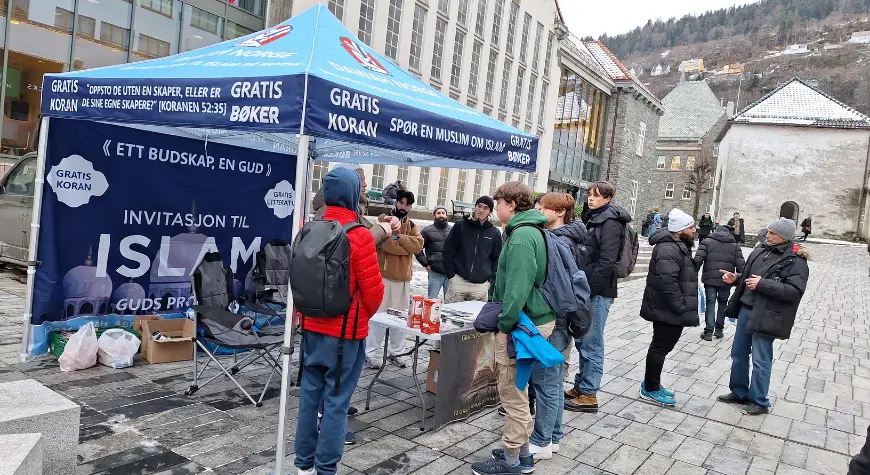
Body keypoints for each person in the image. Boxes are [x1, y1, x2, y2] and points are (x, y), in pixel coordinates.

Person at [294, 168, 385, 475]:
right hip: (345, 335)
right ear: (352, 192)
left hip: (310, 327)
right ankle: (326, 469)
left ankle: (303, 465)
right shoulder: (357, 234)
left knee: (309, 397)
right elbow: (373, 293)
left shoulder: (308, 227)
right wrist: (360, 316)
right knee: (336, 402)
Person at [471, 181, 555, 475]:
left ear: (511, 204)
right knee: (518, 387)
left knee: (512, 390)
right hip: (530, 320)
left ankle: (511, 460)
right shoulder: (528, 230)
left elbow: (517, 289)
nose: (496, 209)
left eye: (498, 203)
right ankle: (524, 453)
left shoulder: (521, 237)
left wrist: (505, 327)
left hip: (522, 323)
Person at [717, 218, 809, 416]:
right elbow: (750, 277)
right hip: (746, 309)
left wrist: (763, 285)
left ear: (784, 237)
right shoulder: (760, 250)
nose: (767, 235)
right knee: (738, 354)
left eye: (772, 233)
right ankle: (739, 392)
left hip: (767, 314)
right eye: (767, 231)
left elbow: (794, 291)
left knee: (761, 359)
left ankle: (759, 401)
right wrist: (736, 279)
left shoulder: (796, 261)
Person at [526, 192, 586, 459]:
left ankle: (541, 441)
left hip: (555, 321)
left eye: (542, 207)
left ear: (559, 212)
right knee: (553, 382)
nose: (538, 210)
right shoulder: (569, 238)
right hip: (564, 320)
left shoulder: (559, 240)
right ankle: (554, 436)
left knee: (546, 383)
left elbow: (555, 286)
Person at [565, 181, 633, 413]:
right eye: (589, 195)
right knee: (583, 339)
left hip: (599, 290)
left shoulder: (610, 222)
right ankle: (581, 386)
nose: (591, 199)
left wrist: (588, 290)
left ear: (608, 199)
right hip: (588, 287)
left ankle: (590, 394)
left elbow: (606, 261)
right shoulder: (593, 217)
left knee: (592, 342)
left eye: (596, 196)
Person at [639, 209, 699, 406]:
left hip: (668, 308)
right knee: (660, 347)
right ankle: (650, 388)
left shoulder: (677, 245)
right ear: (680, 230)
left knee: (663, 346)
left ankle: (652, 383)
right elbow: (667, 281)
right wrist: (680, 305)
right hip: (667, 308)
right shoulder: (668, 248)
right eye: (691, 227)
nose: (694, 230)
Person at [365, 191, 424, 369]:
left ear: (410, 207)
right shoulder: (384, 219)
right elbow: (382, 243)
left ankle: (397, 352)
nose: (403, 206)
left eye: (407, 204)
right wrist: (403, 246)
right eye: (401, 202)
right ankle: (370, 353)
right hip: (383, 277)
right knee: (378, 317)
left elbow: (418, 245)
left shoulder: (412, 225)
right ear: (396, 202)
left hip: (403, 279)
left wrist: (397, 238)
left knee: (401, 318)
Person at [312, 163, 399, 246]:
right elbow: (347, 249)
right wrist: (381, 229)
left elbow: (372, 238)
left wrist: (388, 226)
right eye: (359, 180)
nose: (365, 184)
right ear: (345, 185)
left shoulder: (355, 210)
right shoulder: (327, 211)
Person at [442, 196, 502, 303]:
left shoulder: (494, 233)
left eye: (486, 208)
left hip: (480, 286)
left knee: (476, 319)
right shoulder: (461, 226)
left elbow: (496, 258)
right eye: (479, 206)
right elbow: (448, 250)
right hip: (458, 282)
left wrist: (489, 280)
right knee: (450, 317)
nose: (481, 210)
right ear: (475, 207)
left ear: (490, 212)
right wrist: (451, 275)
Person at [694, 225, 745, 340]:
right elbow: (741, 266)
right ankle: (719, 330)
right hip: (726, 279)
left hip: (709, 278)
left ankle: (708, 332)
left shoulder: (707, 242)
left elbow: (698, 260)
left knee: (710, 303)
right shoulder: (734, 245)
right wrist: (740, 279)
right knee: (723, 303)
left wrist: (692, 274)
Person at [416, 206, 452, 299]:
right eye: (438, 213)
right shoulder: (427, 231)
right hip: (435, 272)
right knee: (431, 301)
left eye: (443, 213)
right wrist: (425, 264)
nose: (441, 215)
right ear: (434, 215)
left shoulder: (453, 230)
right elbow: (417, 248)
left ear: (446, 215)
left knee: (450, 302)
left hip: (450, 273)